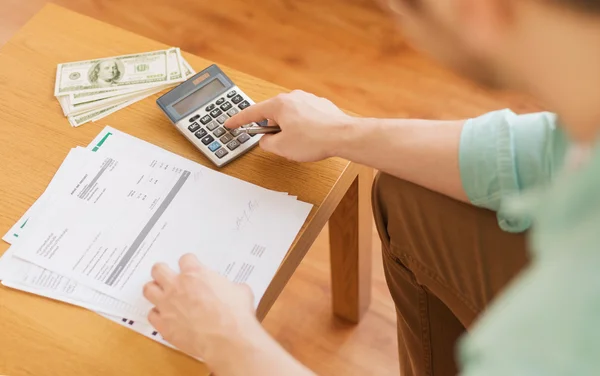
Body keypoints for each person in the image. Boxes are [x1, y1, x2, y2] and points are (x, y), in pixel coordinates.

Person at [142, 0, 600, 375]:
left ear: (480, 11)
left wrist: (228, 340)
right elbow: (539, 151)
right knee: (410, 193)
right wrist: (342, 132)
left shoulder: (563, 324)